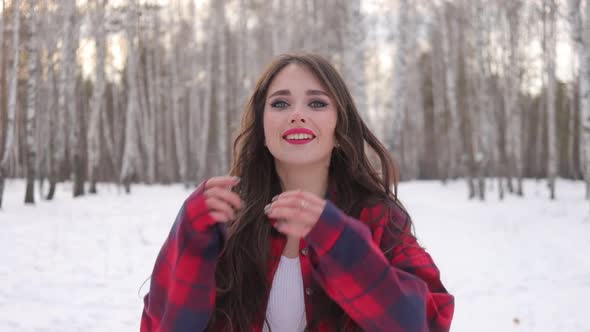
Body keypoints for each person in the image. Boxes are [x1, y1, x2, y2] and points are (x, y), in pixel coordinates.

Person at [140, 52, 454, 332]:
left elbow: (426, 324)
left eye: (316, 102)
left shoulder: (378, 217)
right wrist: (191, 240)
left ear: (339, 127)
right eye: (280, 103)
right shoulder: (225, 216)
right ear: (262, 129)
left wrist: (340, 243)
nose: (297, 114)